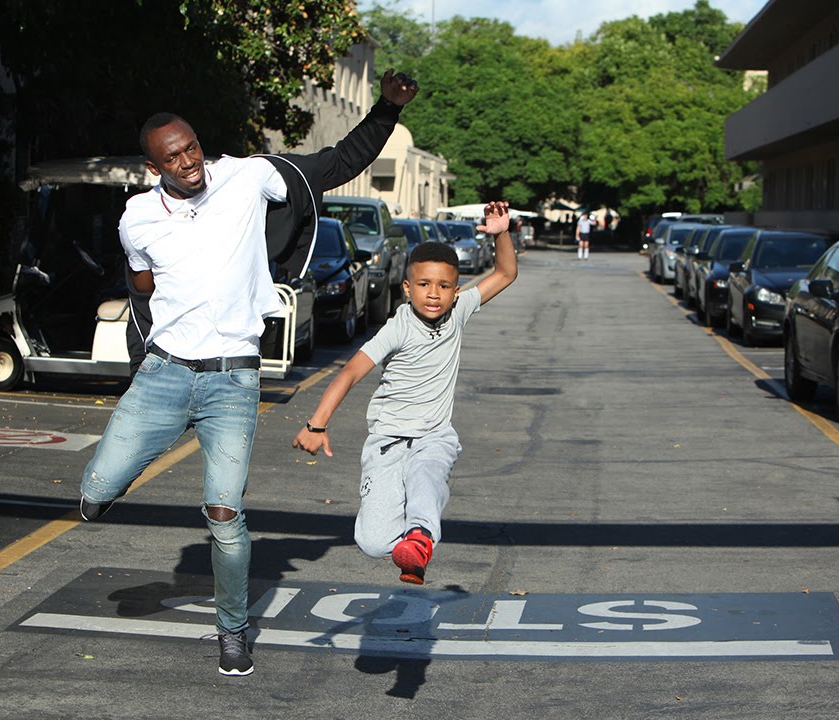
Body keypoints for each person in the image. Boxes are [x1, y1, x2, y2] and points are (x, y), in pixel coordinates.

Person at [78, 69, 420, 677]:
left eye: (192, 148)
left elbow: (337, 162)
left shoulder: (245, 176)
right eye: (173, 157)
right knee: (96, 491)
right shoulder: (138, 218)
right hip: (164, 374)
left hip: (233, 380)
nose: (189, 162)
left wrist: (387, 109)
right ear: (154, 167)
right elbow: (141, 284)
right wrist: (149, 347)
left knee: (225, 515)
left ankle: (232, 633)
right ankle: (104, 490)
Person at [291, 201, 519, 585]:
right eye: (424, 285)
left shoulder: (460, 310)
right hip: (387, 442)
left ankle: (420, 538)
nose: (434, 294)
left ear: (456, 291)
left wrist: (501, 234)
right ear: (408, 288)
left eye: (444, 286)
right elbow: (350, 372)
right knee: (372, 542)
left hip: (433, 436)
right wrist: (317, 425)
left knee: (427, 477)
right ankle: (407, 546)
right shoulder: (396, 329)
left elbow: (506, 273)